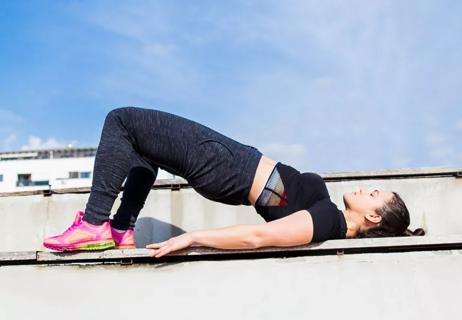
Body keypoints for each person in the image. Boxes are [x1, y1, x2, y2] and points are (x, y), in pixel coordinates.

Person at [43, 107, 425, 257]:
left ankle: (94, 224)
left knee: (121, 121)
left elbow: (260, 238)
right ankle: (121, 228)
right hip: (229, 163)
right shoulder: (328, 216)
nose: (365, 189)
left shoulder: (327, 220)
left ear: (374, 218)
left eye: (373, 194)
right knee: (141, 148)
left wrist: (193, 237)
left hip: (226, 167)